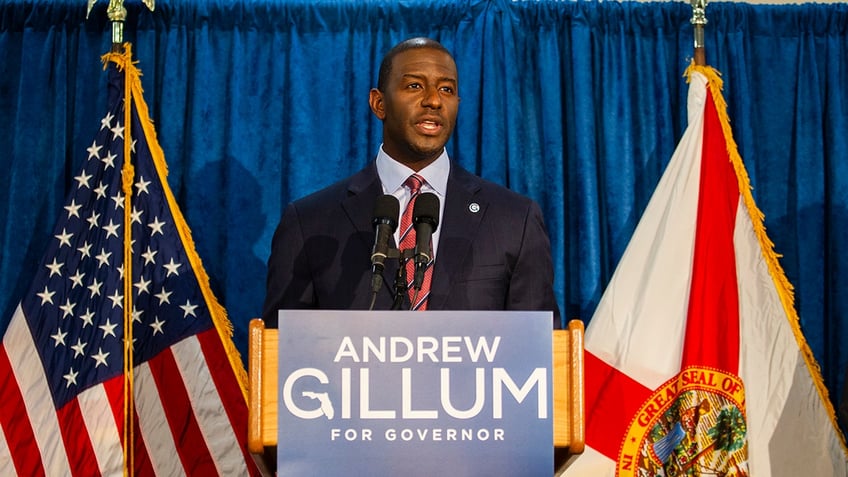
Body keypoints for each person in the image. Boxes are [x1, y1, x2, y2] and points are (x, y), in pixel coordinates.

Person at [262, 37, 560, 327]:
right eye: (414, 85)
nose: (433, 100)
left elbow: (538, 354)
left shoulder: (514, 219)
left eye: (446, 89)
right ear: (379, 103)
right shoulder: (310, 223)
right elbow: (284, 355)